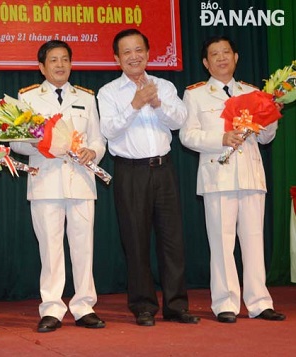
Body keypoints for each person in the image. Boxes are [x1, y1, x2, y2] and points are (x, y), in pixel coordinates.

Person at [97, 29, 200, 327]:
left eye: (138, 50)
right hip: (131, 172)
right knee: (136, 240)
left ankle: (176, 305)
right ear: (117, 58)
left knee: (172, 241)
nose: (134, 56)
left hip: (164, 169)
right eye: (126, 52)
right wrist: (135, 104)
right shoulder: (108, 92)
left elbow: (179, 121)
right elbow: (109, 130)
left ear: (148, 53)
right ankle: (143, 305)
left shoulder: (165, 86)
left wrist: (156, 102)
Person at [179, 35, 285, 323]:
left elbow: (266, 138)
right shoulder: (196, 94)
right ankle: (225, 302)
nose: (222, 58)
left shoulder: (253, 92)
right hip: (218, 175)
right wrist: (221, 138)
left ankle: (259, 302)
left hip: (250, 174)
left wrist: (271, 115)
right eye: (215, 54)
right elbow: (187, 136)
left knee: (253, 240)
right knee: (222, 241)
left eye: (227, 52)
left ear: (236, 57)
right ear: (205, 62)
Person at [10, 40, 107, 332]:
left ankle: (84, 305)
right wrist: (44, 144)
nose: (60, 65)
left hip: (80, 181)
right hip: (46, 180)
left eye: (65, 59)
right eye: (53, 60)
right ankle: (52, 308)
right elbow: (16, 142)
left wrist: (93, 151)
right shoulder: (27, 97)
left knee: (83, 247)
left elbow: (98, 138)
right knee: (50, 248)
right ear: (42, 67)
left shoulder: (87, 98)